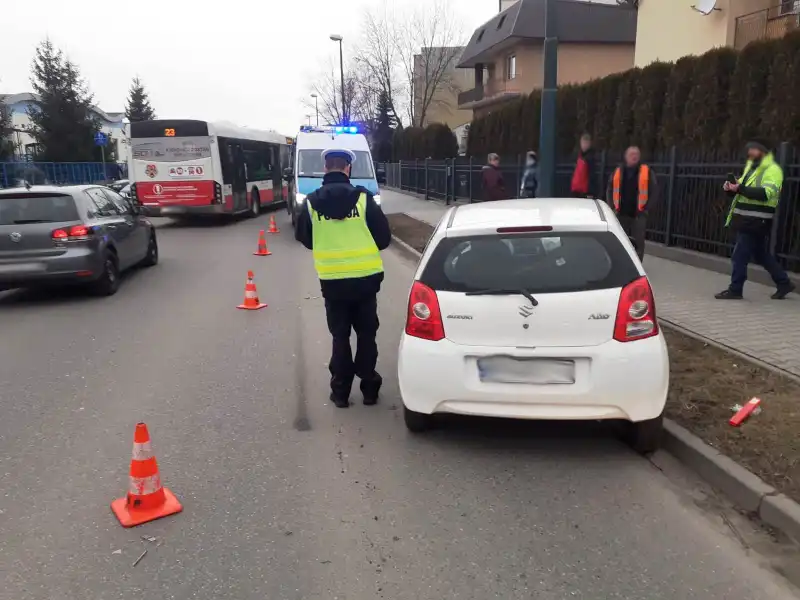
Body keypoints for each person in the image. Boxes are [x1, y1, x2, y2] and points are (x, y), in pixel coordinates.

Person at [295, 148, 392, 408]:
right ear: (348, 169)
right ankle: (369, 389)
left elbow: (304, 237)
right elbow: (383, 238)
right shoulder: (363, 199)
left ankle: (340, 393)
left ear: (325, 168)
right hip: (366, 281)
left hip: (333, 282)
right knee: (366, 335)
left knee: (340, 337)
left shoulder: (312, 201)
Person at [715, 139, 795, 300]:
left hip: (757, 220)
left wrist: (740, 188)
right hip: (747, 219)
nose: (749, 153)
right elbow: (742, 192)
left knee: (739, 256)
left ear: (762, 151)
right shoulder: (752, 168)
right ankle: (784, 282)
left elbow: (766, 194)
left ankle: (735, 289)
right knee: (761, 255)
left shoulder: (773, 170)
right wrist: (731, 189)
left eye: (752, 150)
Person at [606, 146, 657, 261]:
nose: (634, 156)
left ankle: (637, 265)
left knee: (638, 242)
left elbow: (654, 191)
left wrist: (647, 209)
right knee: (619, 240)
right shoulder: (618, 171)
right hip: (620, 212)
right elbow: (610, 188)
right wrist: (612, 207)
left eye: (636, 154)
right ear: (626, 157)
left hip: (639, 214)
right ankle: (620, 262)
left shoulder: (646, 171)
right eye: (631, 154)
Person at [570, 133, 598, 198]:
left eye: (586, 143)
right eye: (583, 143)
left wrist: (591, 192)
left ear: (589, 144)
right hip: (576, 190)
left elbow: (592, 175)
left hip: (584, 192)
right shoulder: (579, 156)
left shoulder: (590, 158)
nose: (584, 145)